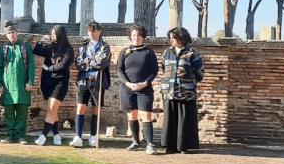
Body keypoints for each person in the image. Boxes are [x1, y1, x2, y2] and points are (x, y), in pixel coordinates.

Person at [161, 27, 205, 154]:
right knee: (170, 119)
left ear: (181, 37)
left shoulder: (192, 53)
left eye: (173, 38)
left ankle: (183, 146)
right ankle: (170, 146)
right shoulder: (167, 52)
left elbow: (200, 73)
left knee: (184, 119)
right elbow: (164, 68)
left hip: (186, 92)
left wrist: (189, 82)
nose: (171, 41)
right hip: (169, 91)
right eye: (170, 38)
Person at [117, 23, 159, 154]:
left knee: (146, 115)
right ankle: (136, 141)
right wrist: (128, 83)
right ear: (130, 36)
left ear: (143, 36)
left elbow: (154, 70)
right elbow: (120, 70)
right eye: (134, 35)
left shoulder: (149, 52)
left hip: (144, 88)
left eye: (139, 35)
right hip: (128, 88)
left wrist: (145, 83)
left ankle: (150, 144)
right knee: (132, 115)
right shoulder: (124, 52)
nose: (136, 37)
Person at [72, 21, 111, 148]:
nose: (91, 33)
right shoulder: (83, 46)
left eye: (93, 31)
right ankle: (78, 136)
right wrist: (92, 60)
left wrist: (88, 62)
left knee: (96, 108)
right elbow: (79, 64)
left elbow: (102, 63)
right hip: (83, 79)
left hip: (97, 80)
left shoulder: (105, 46)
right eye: (89, 31)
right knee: (80, 107)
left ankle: (93, 136)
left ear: (99, 31)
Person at [0, 20, 35, 144]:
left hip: (22, 84)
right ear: (6, 35)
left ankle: (21, 135)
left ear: (17, 33)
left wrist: (30, 81)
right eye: (9, 33)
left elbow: (32, 65)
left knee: (22, 111)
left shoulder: (25, 46)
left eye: (13, 32)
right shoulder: (3, 48)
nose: (11, 35)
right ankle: (10, 135)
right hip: (8, 85)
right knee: (9, 112)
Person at [33, 25, 72, 146]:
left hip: (60, 82)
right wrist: (40, 41)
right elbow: (37, 51)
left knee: (51, 109)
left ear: (61, 34)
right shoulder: (50, 47)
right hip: (47, 82)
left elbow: (64, 65)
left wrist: (49, 68)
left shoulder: (67, 49)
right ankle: (56, 135)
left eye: (55, 33)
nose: (52, 35)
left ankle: (43, 135)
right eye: (52, 33)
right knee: (52, 110)